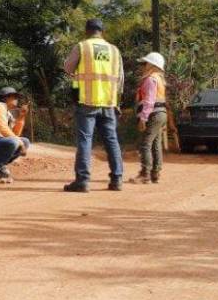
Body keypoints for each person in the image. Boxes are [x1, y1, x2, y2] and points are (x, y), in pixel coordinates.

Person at [62, 18, 124, 192]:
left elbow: (68, 68)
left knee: (85, 140)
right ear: (102, 31)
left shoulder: (83, 47)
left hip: (87, 100)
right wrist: (117, 101)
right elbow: (120, 78)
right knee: (111, 140)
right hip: (109, 102)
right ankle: (117, 179)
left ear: (87, 30)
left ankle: (82, 181)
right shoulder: (114, 50)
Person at [133, 51, 169, 184]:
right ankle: (155, 173)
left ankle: (145, 173)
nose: (143, 66)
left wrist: (143, 118)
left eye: (145, 63)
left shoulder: (150, 79)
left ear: (152, 65)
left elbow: (149, 100)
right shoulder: (159, 79)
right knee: (156, 143)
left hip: (153, 114)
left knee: (145, 143)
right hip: (161, 113)